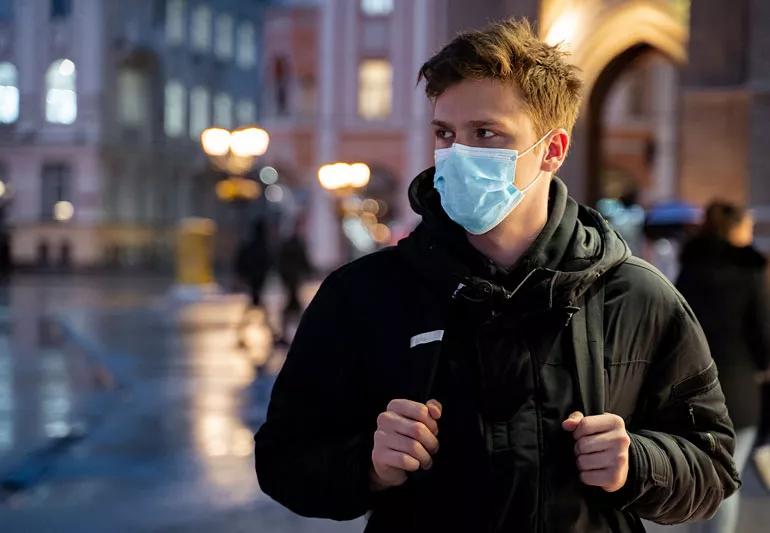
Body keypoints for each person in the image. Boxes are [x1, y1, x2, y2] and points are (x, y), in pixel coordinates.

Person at [254, 19, 739, 532]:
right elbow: (283, 459)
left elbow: (712, 463)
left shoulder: (637, 295)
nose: (458, 154)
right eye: (445, 133)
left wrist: (639, 463)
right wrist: (368, 465)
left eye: (485, 133)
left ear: (552, 150)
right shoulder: (363, 294)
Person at [676, 202, 770, 532]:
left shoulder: (689, 269)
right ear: (733, 230)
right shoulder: (749, 271)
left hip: (689, 388)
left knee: (698, 479)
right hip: (738, 388)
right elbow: (761, 333)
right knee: (728, 480)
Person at [275, 217, 313, 345]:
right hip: (293, 279)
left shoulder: (290, 244)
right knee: (294, 307)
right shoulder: (296, 244)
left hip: (290, 279)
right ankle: (300, 334)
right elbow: (303, 262)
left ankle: (290, 334)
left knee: (291, 307)